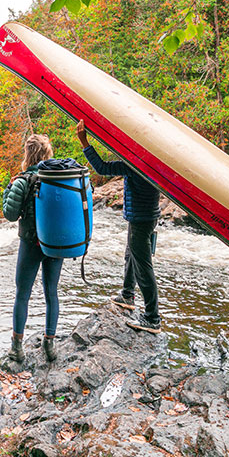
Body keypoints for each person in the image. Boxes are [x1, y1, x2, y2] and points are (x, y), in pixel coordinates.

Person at [75, 120, 162, 333]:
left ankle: (152, 318)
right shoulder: (151, 160)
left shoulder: (135, 163)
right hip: (146, 217)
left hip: (141, 219)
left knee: (143, 267)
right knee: (131, 256)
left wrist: (84, 142)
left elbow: (102, 167)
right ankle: (127, 295)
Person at [2, 134, 62, 363]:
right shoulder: (59, 179)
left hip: (30, 243)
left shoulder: (22, 180)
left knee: (22, 294)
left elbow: (10, 214)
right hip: (55, 243)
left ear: (27, 154)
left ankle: (17, 348)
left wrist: (8, 189)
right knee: (51, 293)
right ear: (48, 154)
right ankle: (50, 345)